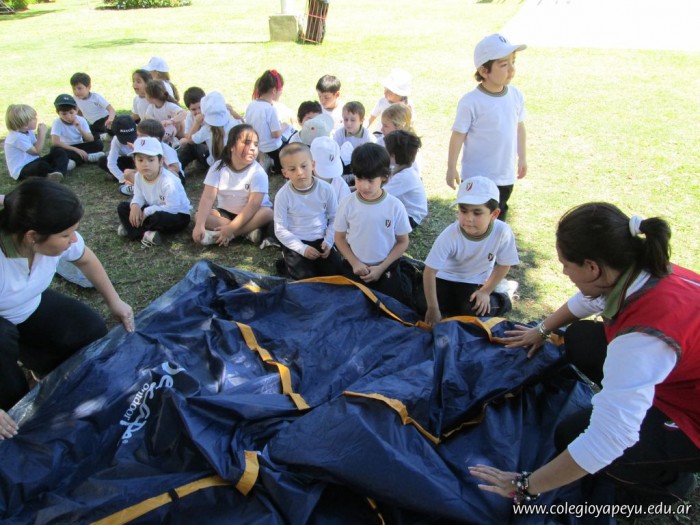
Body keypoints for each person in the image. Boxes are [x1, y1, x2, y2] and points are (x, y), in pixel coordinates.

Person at [470, 202, 700, 512]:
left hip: (692, 414)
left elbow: (610, 438)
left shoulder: (641, 341)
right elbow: (589, 300)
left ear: (592, 267)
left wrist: (525, 486)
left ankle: (666, 483)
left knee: (573, 435)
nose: (564, 272)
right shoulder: (639, 268)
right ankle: (639, 403)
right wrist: (541, 329)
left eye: (566, 264)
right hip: (680, 375)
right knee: (579, 337)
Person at [0, 178, 134, 415]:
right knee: (11, 393)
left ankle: (37, 362)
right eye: (65, 235)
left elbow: (85, 258)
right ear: (32, 236)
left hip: (28, 305)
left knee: (90, 329)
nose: (73, 239)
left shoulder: (43, 235)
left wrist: (115, 301)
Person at [446, 33, 527, 221]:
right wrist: (451, 167)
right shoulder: (471, 102)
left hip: (504, 176)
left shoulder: (516, 96)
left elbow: (519, 128)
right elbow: (458, 136)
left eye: (513, 61)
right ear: (484, 71)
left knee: (498, 217)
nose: (511, 69)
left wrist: (522, 157)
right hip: (476, 176)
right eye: (504, 64)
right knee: (473, 219)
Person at [423, 176, 518, 324]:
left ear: (494, 214)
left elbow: (505, 264)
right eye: (463, 210)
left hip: (475, 281)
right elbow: (430, 271)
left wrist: (485, 291)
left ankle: (504, 296)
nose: (468, 218)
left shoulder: (502, 231)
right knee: (422, 304)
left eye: (477, 213)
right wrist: (432, 308)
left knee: (475, 312)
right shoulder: (450, 234)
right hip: (445, 277)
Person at [334, 143, 412, 304]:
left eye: (370, 180)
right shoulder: (347, 203)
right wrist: (355, 263)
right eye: (359, 179)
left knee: (391, 305)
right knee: (348, 303)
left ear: (384, 176)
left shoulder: (395, 206)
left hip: (385, 266)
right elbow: (339, 238)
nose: (364, 186)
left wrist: (382, 268)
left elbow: (403, 241)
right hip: (355, 266)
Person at [192, 124, 273, 247]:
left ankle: (231, 234)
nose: (252, 148)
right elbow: (208, 197)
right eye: (247, 143)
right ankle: (248, 232)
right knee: (199, 216)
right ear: (231, 146)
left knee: (267, 213)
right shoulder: (218, 168)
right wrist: (199, 225)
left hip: (253, 214)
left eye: (256, 145)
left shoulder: (258, 172)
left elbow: (253, 204)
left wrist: (231, 229)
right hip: (227, 214)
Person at [274, 143, 342, 279]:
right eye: (292, 169)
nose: (299, 172)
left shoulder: (326, 189)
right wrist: (302, 249)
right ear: (285, 173)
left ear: (313, 165)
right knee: (306, 279)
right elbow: (280, 229)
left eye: (304, 166)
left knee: (336, 274)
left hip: (321, 240)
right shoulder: (283, 195)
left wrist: (328, 242)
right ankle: (285, 263)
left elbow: (335, 218)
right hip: (297, 242)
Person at [116, 137, 191, 248]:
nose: (145, 164)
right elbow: (139, 195)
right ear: (134, 161)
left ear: (160, 161)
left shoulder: (169, 181)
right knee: (123, 207)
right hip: (153, 209)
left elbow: (173, 207)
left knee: (158, 218)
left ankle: (134, 228)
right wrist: (135, 205)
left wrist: (147, 211)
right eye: (140, 160)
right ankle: (145, 234)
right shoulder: (138, 176)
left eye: (151, 160)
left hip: (176, 214)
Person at [4, 104, 69, 182]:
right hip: (22, 170)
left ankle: (58, 173)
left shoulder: (28, 131)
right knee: (42, 165)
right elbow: (36, 152)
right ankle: (54, 172)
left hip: (35, 162)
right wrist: (41, 134)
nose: (36, 119)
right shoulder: (16, 137)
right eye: (34, 118)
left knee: (58, 151)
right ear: (25, 124)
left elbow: (36, 145)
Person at [179, 91, 241, 168]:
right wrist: (232, 112)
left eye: (200, 108)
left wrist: (196, 123)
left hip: (215, 164)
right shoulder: (234, 123)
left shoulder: (207, 129)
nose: (198, 111)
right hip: (234, 162)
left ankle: (176, 169)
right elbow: (244, 124)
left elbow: (189, 140)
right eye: (194, 109)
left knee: (190, 146)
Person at [383, 130, 427, 227]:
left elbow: (377, 194)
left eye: (385, 149)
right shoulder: (402, 168)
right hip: (402, 211)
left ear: (393, 156)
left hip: (410, 217)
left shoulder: (404, 176)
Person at [245, 70, 284, 173]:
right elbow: (276, 134)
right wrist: (282, 127)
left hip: (256, 146)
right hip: (271, 149)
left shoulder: (251, 105)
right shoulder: (270, 109)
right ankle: (275, 167)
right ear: (274, 90)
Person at [50, 94, 105, 166]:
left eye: (71, 112)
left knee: (98, 144)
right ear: (58, 113)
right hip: (66, 147)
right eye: (64, 114)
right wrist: (76, 150)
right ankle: (87, 157)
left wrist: (80, 128)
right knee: (55, 150)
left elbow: (90, 139)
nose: (68, 117)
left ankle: (74, 160)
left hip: (80, 145)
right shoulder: (57, 122)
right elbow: (56, 142)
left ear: (76, 110)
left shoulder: (81, 120)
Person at [70, 72, 116, 138]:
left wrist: (110, 119)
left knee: (112, 128)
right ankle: (104, 136)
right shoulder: (75, 99)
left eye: (79, 88)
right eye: (74, 89)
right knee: (85, 134)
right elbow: (79, 113)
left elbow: (111, 109)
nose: (76, 91)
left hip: (106, 119)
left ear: (88, 87)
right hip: (94, 124)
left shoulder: (95, 97)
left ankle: (109, 134)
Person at [98, 114, 138, 189]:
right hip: (128, 161)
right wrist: (123, 179)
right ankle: (127, 178)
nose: (128, 142)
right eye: (124, 139)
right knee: (103, 160)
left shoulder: (143, 135)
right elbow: (111, 163)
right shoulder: (116, 140)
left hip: (141, 161)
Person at [143, 80, 186, 147]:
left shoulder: (168, 105)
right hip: (162, 130)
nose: (144, 96)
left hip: (176, 133)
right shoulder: (151, 106)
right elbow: (147, 116)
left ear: (152, 97)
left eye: (145, 94)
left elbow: (183, 113)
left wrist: (171, 121)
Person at [310, 136, 350, 205]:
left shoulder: (341, 185)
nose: (329, 176)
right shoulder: (302, 182)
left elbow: (345, 208)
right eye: (324, 170)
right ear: (312, 164)